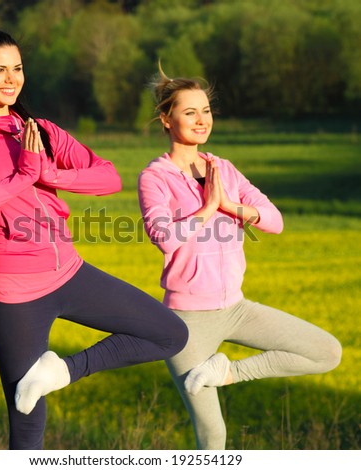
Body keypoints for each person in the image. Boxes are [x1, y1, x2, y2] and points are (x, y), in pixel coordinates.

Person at [0, 31, 188, 450]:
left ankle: (63, 372)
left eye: (17, 68)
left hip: (70, 273)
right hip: (15, 293)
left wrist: (49, 173)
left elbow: (107, 176)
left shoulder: (42, 131)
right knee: (27, 422)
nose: (11, 79)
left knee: (168, 333)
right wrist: (21, 177)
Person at [137, 66, 342, 450]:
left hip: (236, 307)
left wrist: (228, 205)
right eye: (190, 112)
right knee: (213, 434)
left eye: (207, 111)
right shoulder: (155, 177)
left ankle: (227, 372)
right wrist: (206, 209)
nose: (202, 120)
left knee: (326, 352)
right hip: (186, 322)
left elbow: (275, 221)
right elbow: (163, 238)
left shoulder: (224, 169)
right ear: (166, 119)